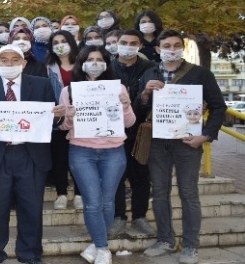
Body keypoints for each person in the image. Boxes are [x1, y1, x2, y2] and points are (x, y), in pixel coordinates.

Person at [137, 30, 226, 264]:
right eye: (166, 45)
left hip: (188, 142)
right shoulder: (149, 73)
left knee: (188, 193)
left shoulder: (200, 74)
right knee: (159, 192)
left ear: (182, 48)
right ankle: (165, 239)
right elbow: (138, 108)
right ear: (157, 49)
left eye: (177, 45)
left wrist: (205, 136)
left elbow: (219, 107)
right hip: (157, 141)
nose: (172, 49)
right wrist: (145, 93)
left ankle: (190, 246)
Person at [0, 45, 65, 264]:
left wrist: (58, 116)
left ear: (24, 63)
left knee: (31, 207)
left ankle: (30, 254)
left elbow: (50, 120)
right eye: (4, 60)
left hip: (30, 155)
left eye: (15, 59)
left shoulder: (42, 85)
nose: (9, 63)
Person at [59, 45, 136, 264]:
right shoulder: (69, 91)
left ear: (106, 63)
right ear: (81, 62)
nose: (95, 63)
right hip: (82, 151)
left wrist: (127, 106)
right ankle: (103, 249)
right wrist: (70, 117)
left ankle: (96, 244)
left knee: (108, 201)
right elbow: (63, 127)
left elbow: (129, 123)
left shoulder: (119, 89)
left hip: (114, 151)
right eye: (90, 59)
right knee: (92, 202)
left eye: (99, 59)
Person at [106, 30, 158, 237]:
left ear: (140, 45)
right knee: (116, 176)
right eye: (124, 42)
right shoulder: (107, 68)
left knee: (141, 176)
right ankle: (118, 217)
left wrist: (144, 96)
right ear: (117, 44)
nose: (128, 46)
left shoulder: (151, 68)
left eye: (133, 43)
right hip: (112, 131)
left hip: (141, 132)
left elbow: (155, 100)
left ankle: (140, 217)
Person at [45, 30, 81, 210]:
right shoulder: (47, 67)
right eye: (55, 42)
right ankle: (61, 193)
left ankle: (79, 194)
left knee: (79, 157)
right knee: (59, 158)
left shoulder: (83, 64)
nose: (60, 45)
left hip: (82, 119)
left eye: (63, 41)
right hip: (58, 120)